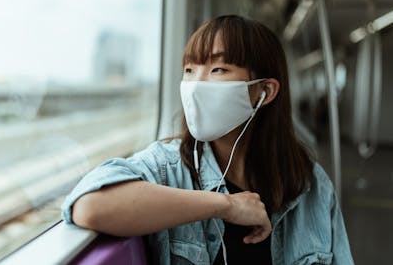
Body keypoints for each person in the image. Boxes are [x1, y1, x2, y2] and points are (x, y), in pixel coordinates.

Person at [61, 15, 354, 265]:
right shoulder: (169, 167)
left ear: (264, 91)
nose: (196, 84)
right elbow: (89, 206)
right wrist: (224, 205)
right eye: (189, 70)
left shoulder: (310, 185)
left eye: (217, 69)